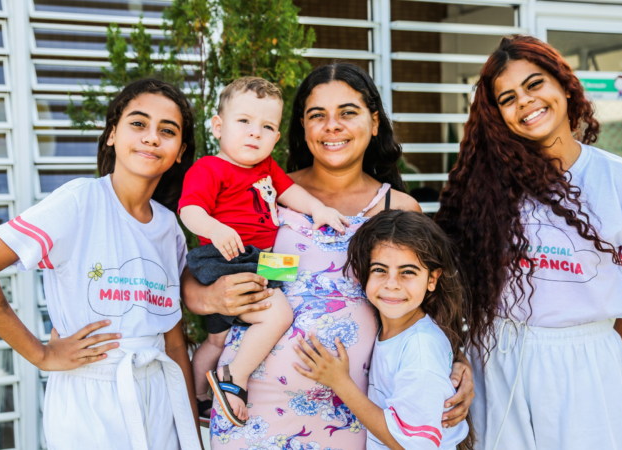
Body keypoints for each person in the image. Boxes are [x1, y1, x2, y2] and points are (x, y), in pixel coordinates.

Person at [181, 63, 475, 450]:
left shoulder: (398, 207)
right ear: (303, 127)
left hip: (348, 411)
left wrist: (457, 363)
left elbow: (428, 303)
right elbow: (198, 265)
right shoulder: (265, 186)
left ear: (373, 123)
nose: (332, 126)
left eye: (347, 113)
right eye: (317, 115)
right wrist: (207, 298)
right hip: (249, 404)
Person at [435, 35, 622, 450]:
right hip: (496, 357)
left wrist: (602, 364)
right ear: (497, 114)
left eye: (534, 84)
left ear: (563, 85)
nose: (524, 102)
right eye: (507, 97)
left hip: (587, 359)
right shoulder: (485, 185)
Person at [0, 79, 202, 450]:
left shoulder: (168, 227)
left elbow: (173, 339)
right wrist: (41, 353)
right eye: (138, 123)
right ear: (112, 134)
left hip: (160, 393)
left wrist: (190, 432)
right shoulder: (79, 202)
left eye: (167, 130)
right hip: (89, 398)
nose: (151, 137)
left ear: (180, 152)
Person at [179, 77, 348, 427]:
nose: (255, 133)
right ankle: (233, 377)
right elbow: (189, 211)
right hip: (227, 257)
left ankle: (198, 402)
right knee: (278, 313)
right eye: (244, 121)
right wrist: (214, 227)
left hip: (260, 257)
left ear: (275, 137)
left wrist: (317, 209)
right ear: (218, 126)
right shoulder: (210, 168)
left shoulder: (267, 169)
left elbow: (290, 194)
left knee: (216, 338)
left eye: (267, 126)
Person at [293, 210, 472, 450]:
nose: (391, 284)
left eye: (408, 272)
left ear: (432, 279)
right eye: (380, 270)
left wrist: (339, 382)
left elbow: (409, 445)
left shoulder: (421, 351)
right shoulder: (392, 329)